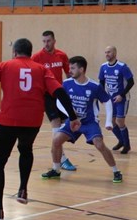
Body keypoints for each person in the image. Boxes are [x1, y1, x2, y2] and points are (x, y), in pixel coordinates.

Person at [0, 38, 79, 220]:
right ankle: (23, 189)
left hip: (8, 120)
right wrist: (72, 117)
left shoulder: (5, 65)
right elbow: (59, 92)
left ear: (14, 52)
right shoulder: (41, 69)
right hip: (32, 122)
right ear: (31, 53)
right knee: (25, 150)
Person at [41, 56, 123, 184]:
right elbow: (59, 101)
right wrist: (71, 115)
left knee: (99, 144)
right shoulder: (67, 83)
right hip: (73, 121)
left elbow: (107, 101)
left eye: (73, 68)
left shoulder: (94, 86)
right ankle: (56, 170)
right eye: (69, 68)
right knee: (56, 140)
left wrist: (108, 121)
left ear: (81, 69)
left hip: (89, 122)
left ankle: (116, 171)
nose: (69, 71)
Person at [31, 30, 77, 171]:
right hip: (46, 95)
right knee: (55, 123)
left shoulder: (61, 55)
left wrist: (73, 89)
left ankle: (59, 151)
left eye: (49, 41)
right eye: (44, 41)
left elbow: (69, 73)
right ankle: (61, 158)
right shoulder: (37, 57)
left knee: (65, 122)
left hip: (59, 93)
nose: (46, 44)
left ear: (54, 41)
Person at [98, 45, 135, 154]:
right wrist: (101, 96)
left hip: (122, 99)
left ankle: (127, 145)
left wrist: (121, 95)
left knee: (120, 121)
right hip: (110, 99)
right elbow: (101, 82)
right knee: (112, 122)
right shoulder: (103, 67)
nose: (107, 54)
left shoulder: (122, 67)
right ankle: (121, 141)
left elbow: (131, 82)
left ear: (114, 53)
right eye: (105, 52)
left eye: (109, 52)